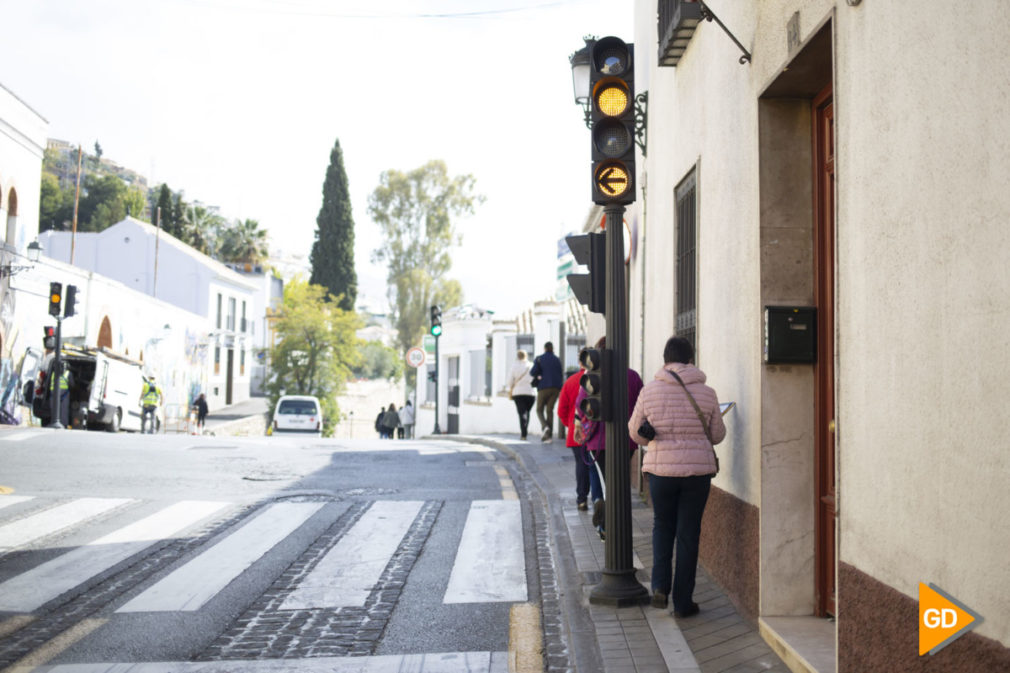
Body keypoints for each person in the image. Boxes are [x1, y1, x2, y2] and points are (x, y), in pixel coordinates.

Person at [629, 336, 726, 618]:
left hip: (661, 473)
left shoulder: (649, 391)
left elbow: (635, 433)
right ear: (691, 360)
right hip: (697, 474)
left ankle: (660, 587)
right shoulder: (708, 393)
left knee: (663, 527)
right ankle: (684, 602)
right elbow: (717, 435)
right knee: (688, 534)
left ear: (665, 360)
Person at [575, 337, 643, 540]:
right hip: (627, 440)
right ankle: (614, 526)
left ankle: (605, 525)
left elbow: (580, 405)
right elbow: (642, 404)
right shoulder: (632, 376)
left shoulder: (592, 377)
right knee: (619, 483)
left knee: (607, 484)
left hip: (598, 440)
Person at [557, 363, 590, 511]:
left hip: (576, 433)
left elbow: (561, 410)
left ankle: (582, 499)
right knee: (594, 467)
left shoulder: (570, 381)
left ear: (580, 363)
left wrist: (569, 425)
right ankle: (598, 498)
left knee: (581, 465)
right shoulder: (595, 379)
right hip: (594, 432)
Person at [529, 342, 564, 442]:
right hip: (556, 388)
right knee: (549, 410)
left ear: (544, 348)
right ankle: (549, 436)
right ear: (552, 349)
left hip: (543, 387)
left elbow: (532, 372)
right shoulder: (557, 359)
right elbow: (561, 374)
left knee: (539, 409)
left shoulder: (540, 358)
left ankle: (545, 427)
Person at [506, 350, 535, 440]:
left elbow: (509, 381)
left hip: (518, 393)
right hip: (530, 393)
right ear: (526, 356)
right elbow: (535, 378)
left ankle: (523, 434)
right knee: (527, 412)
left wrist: (511, 386)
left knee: (522, 413)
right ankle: (525, 431)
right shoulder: (531, 365)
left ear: (517, 356)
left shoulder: (514, 366)